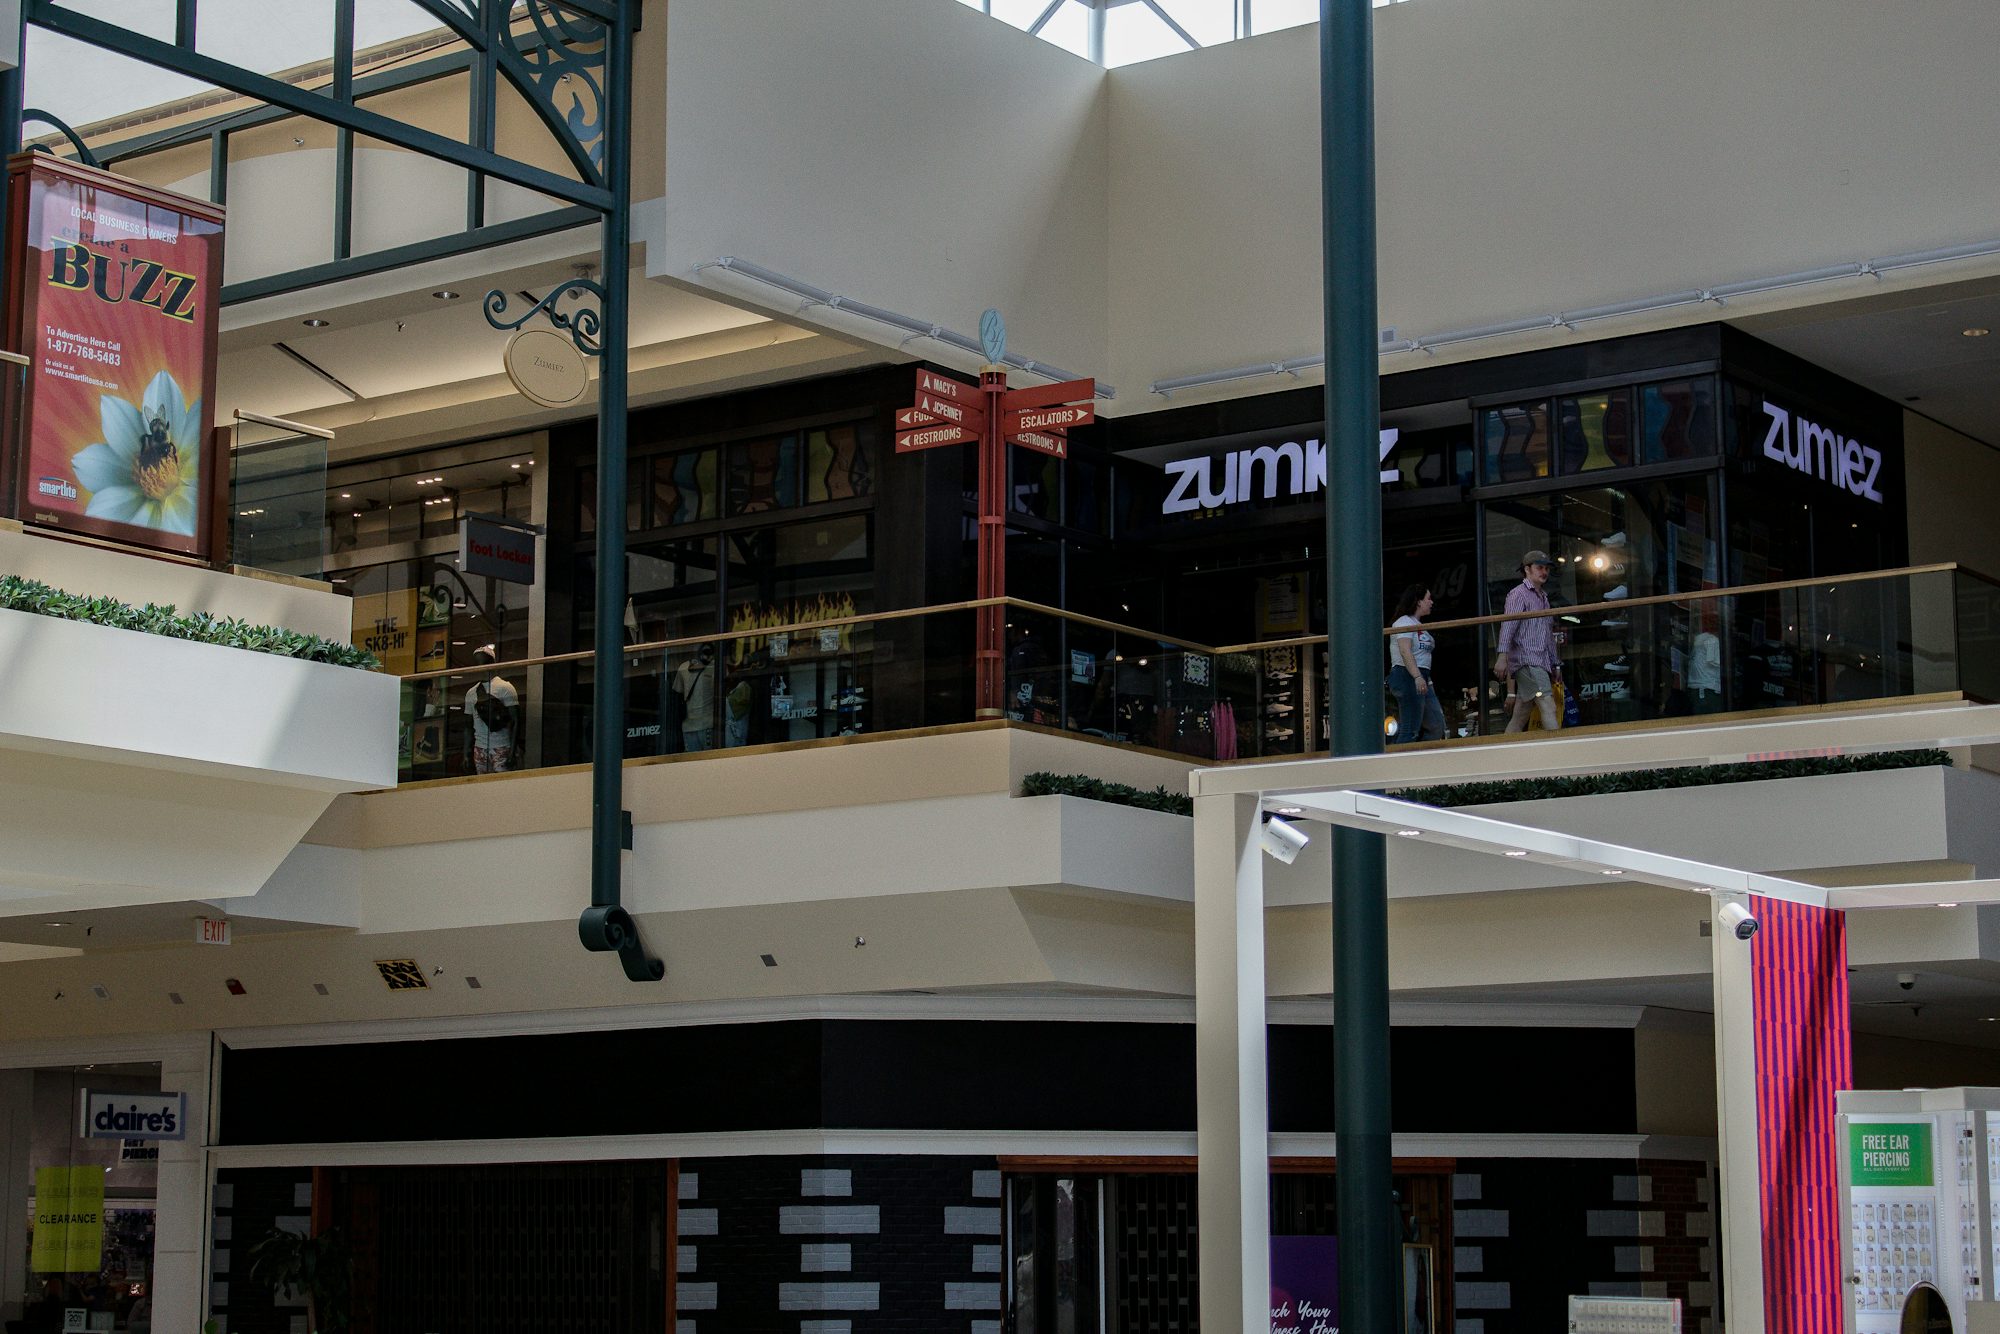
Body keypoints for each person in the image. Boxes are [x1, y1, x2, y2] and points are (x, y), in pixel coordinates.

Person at [1492, 549, 1562, 732]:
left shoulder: (1543, 597)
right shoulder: (1518, 594)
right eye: (1540, 567)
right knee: (1548, 705)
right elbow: (1508, 625)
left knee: (1521, 714)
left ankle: (1506, 747)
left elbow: (1547, 635)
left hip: (1536, 661)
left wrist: (1555, 664)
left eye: (1546, 568)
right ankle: (1559, 747)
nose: (1544, 572)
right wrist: (1502, 656)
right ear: (1527, 569)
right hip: (1528, 660)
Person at [1387, 583, 1446, 743]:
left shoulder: (1418, 624)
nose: (1431, 602)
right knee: (1410, 728)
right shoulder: (1403, 622)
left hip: (1421, 677)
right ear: (1418, 602)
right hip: (1407, 675)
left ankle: (1422, 755)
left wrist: (1426, 680)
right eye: (1428, 598)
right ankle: (1402, 757)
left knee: (1436, 725)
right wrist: (1417, 676)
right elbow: (1405, 650)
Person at [462, 644, 520, 773]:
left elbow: (516, 721)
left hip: (502, 746)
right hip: (480, 748)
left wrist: (512, 752)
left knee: (503, 783)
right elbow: (468, 725)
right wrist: (466, 753)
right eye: (477, 663)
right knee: (483, 783)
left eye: (482, 662)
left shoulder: (505, 688)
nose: (479, 667)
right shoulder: (471, 693)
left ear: (491, 664)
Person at [673, 642, 718, 751]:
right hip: (703, 724)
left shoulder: (684, 667)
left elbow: (677, 693)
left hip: (696, 724)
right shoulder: (714, 666)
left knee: (693, 759)